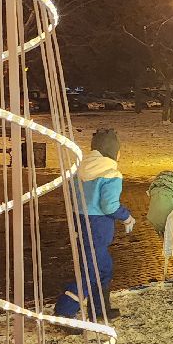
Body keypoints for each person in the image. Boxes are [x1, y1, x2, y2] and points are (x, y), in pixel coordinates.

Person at [55, 128, 134, 322]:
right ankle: (64, 312)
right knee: (91, 272)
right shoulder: (110, 174)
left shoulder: (80, 170)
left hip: (81, 223)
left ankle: (100, 309)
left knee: (103, 267)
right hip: (99, 228)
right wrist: (126, 217)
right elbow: (109, 205)